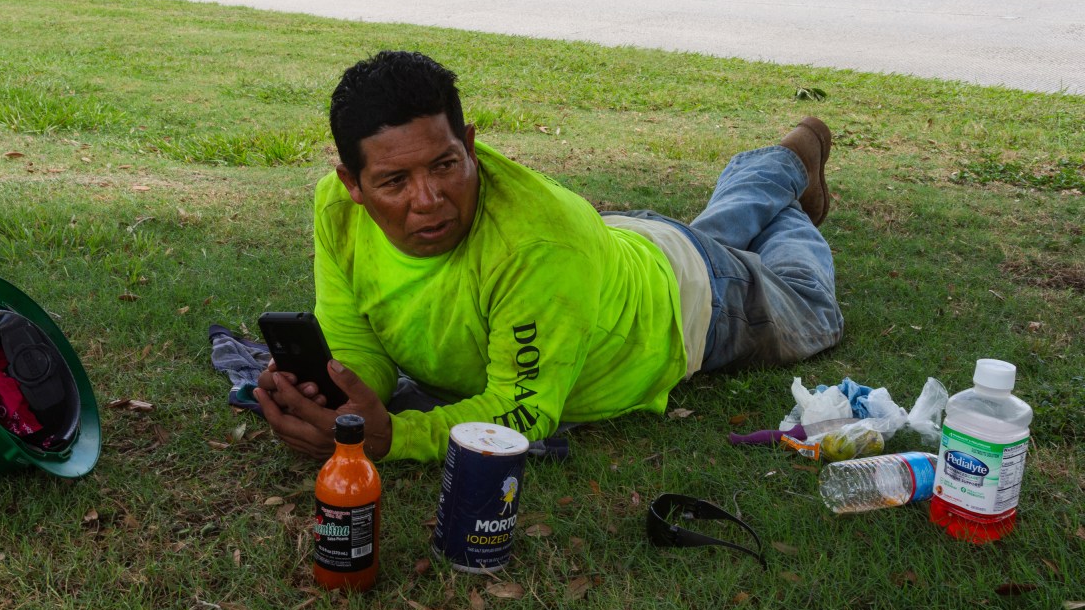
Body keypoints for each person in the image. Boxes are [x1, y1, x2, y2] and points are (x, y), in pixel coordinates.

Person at [255, 51, 843, 463]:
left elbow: (521, 412)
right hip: (602, 260)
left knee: (808, 300)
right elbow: (359, 344)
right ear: (351, 183)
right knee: (712, 234)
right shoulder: (337, 210)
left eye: (444, 166)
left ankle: (794, 164)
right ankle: (776, 171)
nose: (428, 202)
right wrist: (344, 397)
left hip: (691, 303)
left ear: (471, 146)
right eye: (393, 183)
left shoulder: (536, 245)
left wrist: (391, 439)